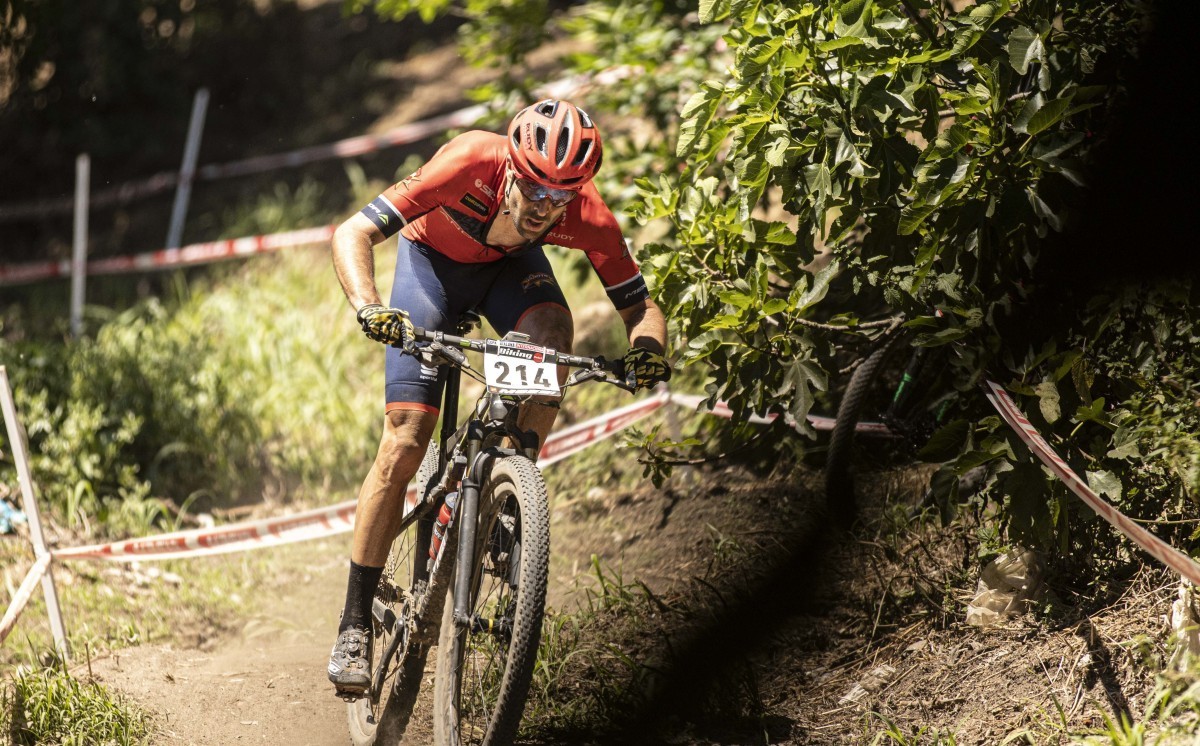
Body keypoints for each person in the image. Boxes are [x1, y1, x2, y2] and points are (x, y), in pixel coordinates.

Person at [326, 98, 671, 695]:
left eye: (561, 196)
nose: (545, 207)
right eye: (535, 189)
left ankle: (510, 484)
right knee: (407, 437)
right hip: (429, 267)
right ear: (510, 169)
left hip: (506, 273)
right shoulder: (466, 161)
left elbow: (639, 304)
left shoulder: (582, 209)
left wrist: (649, 351)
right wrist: (369, 307)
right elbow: (353, 230)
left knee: (554, 335)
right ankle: (355, 620)